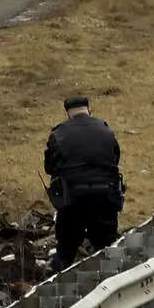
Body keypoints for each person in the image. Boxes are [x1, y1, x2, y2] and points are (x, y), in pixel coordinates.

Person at [43, 95, 124, 272]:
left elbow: (49, 168)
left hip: (73, 201)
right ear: (89, 110)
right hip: (105, 198)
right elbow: (115, 159)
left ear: (67, 113)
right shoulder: (106, 131)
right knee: (108, 249)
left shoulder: (58, 134)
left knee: (66, 251)